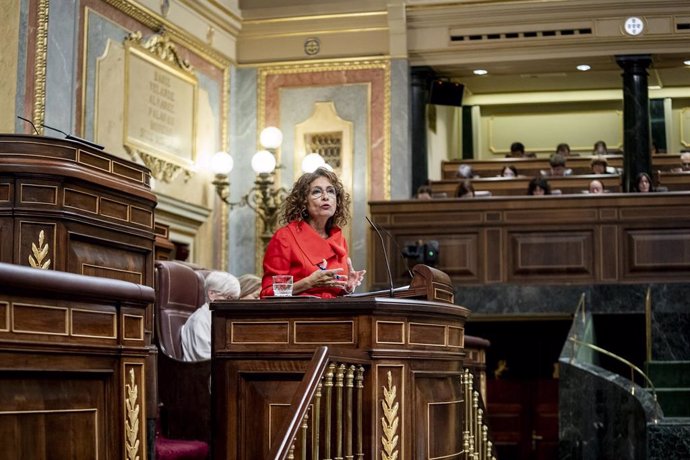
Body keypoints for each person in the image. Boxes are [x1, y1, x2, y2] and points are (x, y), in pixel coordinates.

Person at [260, 167, 366, 298]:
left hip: (335, 315)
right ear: (304, 201)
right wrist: (308, 283)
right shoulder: (285, 237)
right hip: (298, 316)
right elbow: (267, 293)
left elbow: (332, 292)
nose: (326, 197)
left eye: (331, 191)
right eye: (317, 192)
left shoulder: (339, 239)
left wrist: (347, 288)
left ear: (337, 202)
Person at [181, 271, 240, 361]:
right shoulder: (200, 320)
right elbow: (204, 357)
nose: (233, 304)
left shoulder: (218, 317)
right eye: (229, 298)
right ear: (212, 294)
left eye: (235, 299)